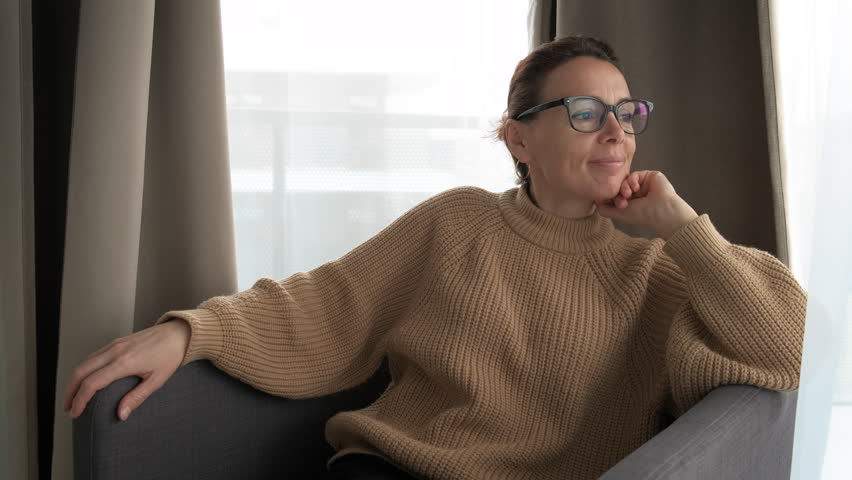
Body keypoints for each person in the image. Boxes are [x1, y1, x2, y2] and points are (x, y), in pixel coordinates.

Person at [64, 35, 806, 480]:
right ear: (519, 138)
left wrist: (678, 225)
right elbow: (326, 303)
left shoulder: (657, 269)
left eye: (625, 112)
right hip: (388, 469)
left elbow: (787, 341)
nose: (615, 131)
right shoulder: (458, 223)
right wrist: (191, 331)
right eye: (585, 113)